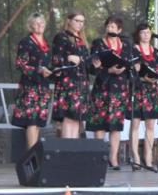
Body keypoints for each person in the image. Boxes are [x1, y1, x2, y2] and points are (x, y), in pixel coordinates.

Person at [88, 14, 132, 170]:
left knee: (115, 126)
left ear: (119, 30)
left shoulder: (126, 45)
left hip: (119, 88)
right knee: (99, 124)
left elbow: (130, 64)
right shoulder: (98, 43)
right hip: (102, 87)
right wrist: (107, 69)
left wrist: (125, 67)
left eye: (113, 26)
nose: (110, 28)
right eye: (108, 26)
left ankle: (113, 159)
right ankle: (98, 157)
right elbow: (92, 67)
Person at [11, 12, 53, 150]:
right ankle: (31, 155)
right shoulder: (26, 42)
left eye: (42, 22)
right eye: (36, 23)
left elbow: (49, 64)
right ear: (30, 26)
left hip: (43, 87)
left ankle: (34, 153)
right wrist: (38, 70)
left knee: (38, 122)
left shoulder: (46, 44)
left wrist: (53, 71)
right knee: (31, 121)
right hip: (30, 86)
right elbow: (20, 64)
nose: (40, 25)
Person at [51, 10, 94, 138]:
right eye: (77, 20)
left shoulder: (82, 40)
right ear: (69, 21)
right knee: (69, 117)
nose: (80, 24)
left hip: (81, 83)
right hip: (68, 82)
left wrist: (93, 64)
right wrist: (68, 58)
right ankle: (66, 146)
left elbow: (85, 62)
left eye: (82, 22)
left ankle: (72, 145)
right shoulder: (61, 37)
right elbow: (55, 60)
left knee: (76, 118)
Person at [129, 22, 158, 172]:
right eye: (143, 32)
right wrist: (143, 78)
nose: (146, 35)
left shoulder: (156, 51)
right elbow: (131, 71)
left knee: (150, 126)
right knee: (135, 124)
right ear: (138, 35)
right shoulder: (134, 50)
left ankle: (148, 159)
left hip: (152, 91)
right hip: (138, 89)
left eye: (148, 32)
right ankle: (135, 158)